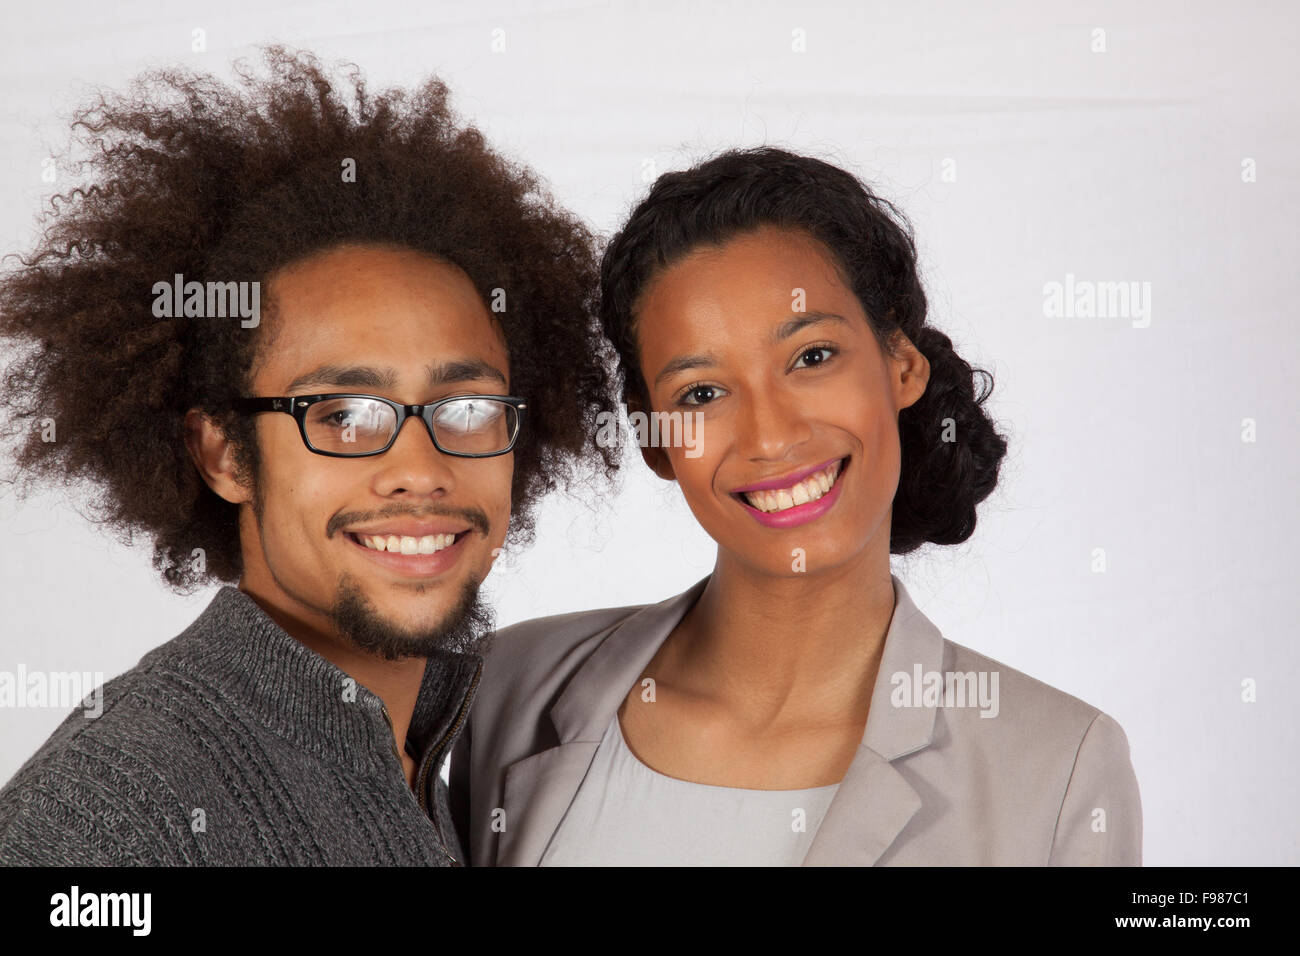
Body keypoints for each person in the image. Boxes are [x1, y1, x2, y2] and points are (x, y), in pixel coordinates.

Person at [0, 46, 617, 866]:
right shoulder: (107, 824)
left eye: (465, 408)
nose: (419, 468)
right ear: (223, 454)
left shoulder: (457, 761)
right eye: (344, 415)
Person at [450, 146, 1142, 866]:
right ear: (656, 440)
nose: (771, 435)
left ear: (901, 361)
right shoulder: (510, 685)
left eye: (812, 357)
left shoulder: (1058, 766)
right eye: (701, 393)